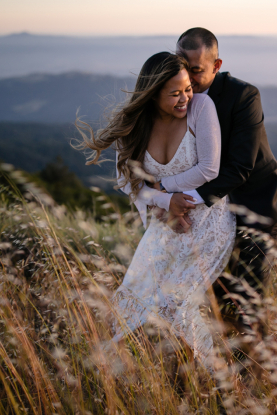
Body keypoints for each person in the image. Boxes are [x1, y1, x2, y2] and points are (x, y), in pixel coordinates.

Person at [75, 52, 236, 371]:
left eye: (188, 88)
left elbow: (209, 168)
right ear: (152, 94)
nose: (185, 98)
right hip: (165, 222)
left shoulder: (201, 107)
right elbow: (127, 184)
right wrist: (166, 202)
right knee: (129, 298)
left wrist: (164, 189)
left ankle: (216, 373)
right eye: (175, 93)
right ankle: (123, 372)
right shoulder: (135, 125)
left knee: (174, 302)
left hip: (208, 220)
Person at [157, 28, 277, 341]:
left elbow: (240, 167)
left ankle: (259, 370)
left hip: (254, 208)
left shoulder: (243, 96)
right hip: (210, 215)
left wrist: (182, 198)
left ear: (217, 66)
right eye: (182, 66)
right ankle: (220, 369)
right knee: (212, 297)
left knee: (248, 301)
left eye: (196, 70)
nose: (187, 77)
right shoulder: (175, 94)